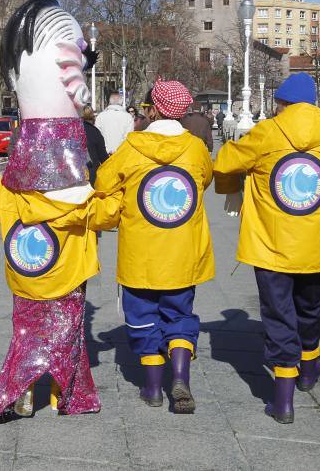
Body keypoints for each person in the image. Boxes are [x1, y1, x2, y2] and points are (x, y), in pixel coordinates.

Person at [0, 0, 105, 418]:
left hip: (27, 267)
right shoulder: (77, 194)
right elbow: (97, 211)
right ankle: (64, 391)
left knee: (28, 325)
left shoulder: (9, 189)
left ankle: (25, 391)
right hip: (67, 266)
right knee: (66, 323)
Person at [213, 72, 320, 424]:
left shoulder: (267, 133)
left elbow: (225, 162)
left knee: (278, 315)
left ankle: (283, 400)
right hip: (315, 244)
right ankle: (309, 371)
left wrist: (237, 185)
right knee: (310, 308)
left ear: (281, 103)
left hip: (271, 244)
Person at [87, 79, 215, 414]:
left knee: (142, 316)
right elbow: (205, 179)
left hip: (141, 253)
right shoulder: (196, 148)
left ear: (153, 109)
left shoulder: (133, 148)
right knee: (180, 315)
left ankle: (154, 388)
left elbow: (103, 182)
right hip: (183, 253)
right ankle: (181, 377)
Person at [82, 105, 109, 185]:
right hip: (91, 171)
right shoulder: (95, 132)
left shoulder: (73, 130)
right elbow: (103, 157)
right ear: (94, 118)